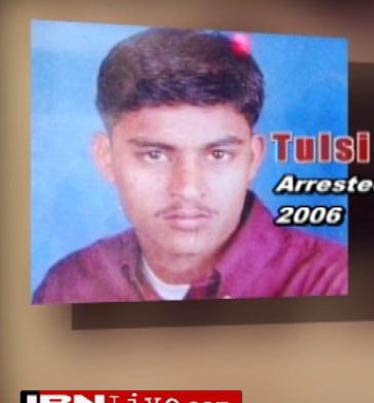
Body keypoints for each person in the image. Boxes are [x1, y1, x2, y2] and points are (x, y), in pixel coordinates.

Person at [33, 28, 348, 304]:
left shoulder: (333, 284)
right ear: (106, 158)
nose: (188, 189)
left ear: (252, 159)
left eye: (218, 155)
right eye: (155, 155)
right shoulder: (69, 285)